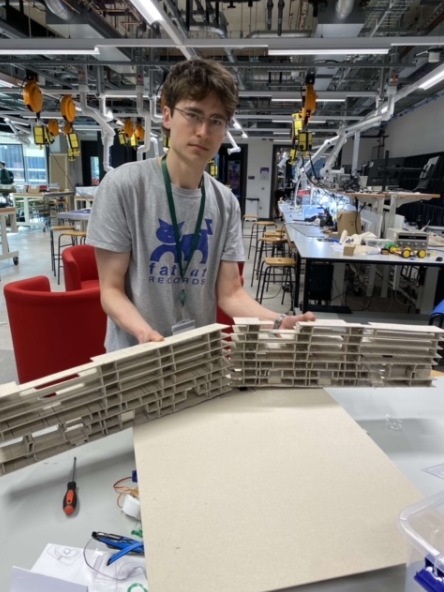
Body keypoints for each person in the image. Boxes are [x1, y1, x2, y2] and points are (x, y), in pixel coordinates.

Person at [86, 57, 315, 352]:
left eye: (216, 121)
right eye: (193, 114)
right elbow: (111, 291)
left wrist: (278, 321)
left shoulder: (225, 202)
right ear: (167, 115)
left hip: (197, 356)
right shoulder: (123, 186)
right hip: (136, 358)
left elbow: (231, 294)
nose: (203, 131)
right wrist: (145, 334)